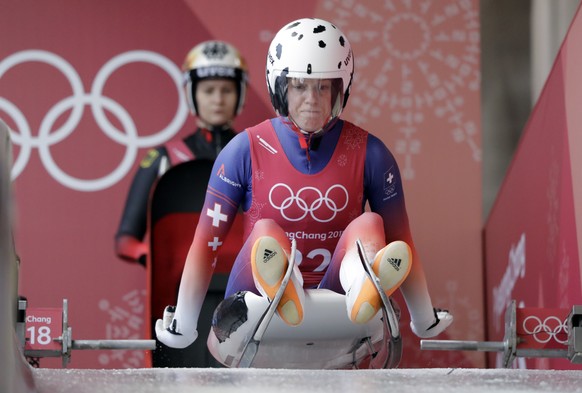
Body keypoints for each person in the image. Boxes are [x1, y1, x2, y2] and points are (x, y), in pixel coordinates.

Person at [155, 18, 453, 355]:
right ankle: (284, 284)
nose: (312, 99)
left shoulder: (371, 152)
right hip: (255, 300)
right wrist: (184, 320)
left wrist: (423, 315)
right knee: (266, 233)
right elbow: (207, 242)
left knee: (371, 225)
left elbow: (401, 240)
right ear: (280, 87)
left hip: (337, 298)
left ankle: (363, 287)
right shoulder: (244, 149)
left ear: (341, 90)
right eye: (299, 85)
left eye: (323, 87)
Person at [114, 40, 249, 266]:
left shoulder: (256, 151)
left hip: (243, 288)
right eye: (208, 90)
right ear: (192, 94)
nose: (217, 99)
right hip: (177, 291)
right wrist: (154, 255)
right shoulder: (163, 158)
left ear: (240, 94)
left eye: (226, 90)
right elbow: (125, 240)